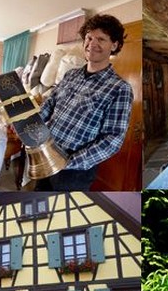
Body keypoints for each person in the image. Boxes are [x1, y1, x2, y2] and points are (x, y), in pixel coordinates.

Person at [36, 14, 133, 190]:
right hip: (46, 154)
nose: (92, 44)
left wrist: (68, 162)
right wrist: (31, 126)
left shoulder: (119, 88)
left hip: (74, 171)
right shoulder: (70, 75)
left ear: (114, 45)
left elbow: (113, 139)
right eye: (89, 38)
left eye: (101, 39)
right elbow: (50, 104)